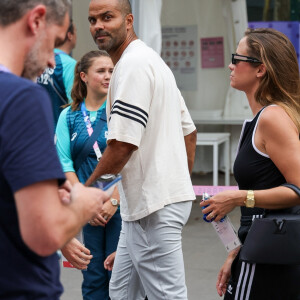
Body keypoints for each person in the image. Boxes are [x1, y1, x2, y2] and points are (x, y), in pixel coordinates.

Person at [86, 0, 197, 299]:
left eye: (107, 17)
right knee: (121, 292)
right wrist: (176, 184)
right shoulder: (150, 61)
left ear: (129, 20)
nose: (98, 26)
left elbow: (123, 145)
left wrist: (88, 193)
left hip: (153, 207)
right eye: (93, 20)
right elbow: (190, 133)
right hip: (147, 207)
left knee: (166, 295)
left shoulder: (133, 66)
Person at [0, 1, 109, 299]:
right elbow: (43, 234)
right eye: (55, 43)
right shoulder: (22, 97)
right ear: (36, 21)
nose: (52, 62)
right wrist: (82, 204)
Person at [200, 28, 300, 300]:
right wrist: (237, 250)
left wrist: (238, 197)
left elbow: (298, 189)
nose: (231, 65)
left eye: (238, 58)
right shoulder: (263, 118)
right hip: (260, 245)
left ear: (260, 70)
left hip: (268, 250)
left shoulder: (272, 118)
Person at [56, 50, 121, 300]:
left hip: (120, 209)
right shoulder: (68, 116)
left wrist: (115, 200)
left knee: (120, 278)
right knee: (93, 277)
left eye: (111, 71)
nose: (108, 76)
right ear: (83, 76)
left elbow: (131, 160)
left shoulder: (119, 111)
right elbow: (64, 163)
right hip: (86, 211)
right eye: (101, 71)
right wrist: (86, 202)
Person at [37, 18, 77, 127]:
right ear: (70, 35)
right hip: (58, 133)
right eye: (76, 31)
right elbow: (74, 105)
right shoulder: (69, 64)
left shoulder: (37, 59)